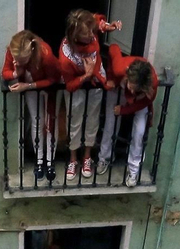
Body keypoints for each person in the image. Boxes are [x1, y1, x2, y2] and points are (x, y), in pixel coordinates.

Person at [57, 9, 119, 184]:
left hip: (96, 80)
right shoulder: (66, 57)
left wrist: (108, 26)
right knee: (74, 120)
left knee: (92, 119)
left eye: (92, 32)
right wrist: (86, 74)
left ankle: (87, 157)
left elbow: (98, 20)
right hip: (77, 83)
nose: (92, 35)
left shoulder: (89, 27)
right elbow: (69, 85)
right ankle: (73, 159)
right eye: (87, 35)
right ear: (74, 36)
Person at [1, 30, 60, 183]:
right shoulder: (13, 50)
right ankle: (39, 160)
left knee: (50, 123)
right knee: (36, 121)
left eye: (22, 59)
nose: (18, 62)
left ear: (31, 52)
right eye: (16, 59)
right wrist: (16, 74)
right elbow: (5, 72)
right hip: (28, 87)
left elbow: (53, 79)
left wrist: (28, 85)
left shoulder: (45, 55)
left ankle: (50, 161)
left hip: (46, 88)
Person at [99, 44, 157, 186]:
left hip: (138, 99)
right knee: (110, 123)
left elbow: (141, 104)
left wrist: (124, 110)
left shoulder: (151, 86)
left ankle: (133, 170)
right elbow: (113, 48)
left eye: (135, 87)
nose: (132, 88)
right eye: (132, 84)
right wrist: (111, 77)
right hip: (118, 85)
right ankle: (105, 157)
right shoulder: (121, 68)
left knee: (139, 132)